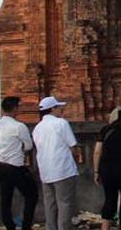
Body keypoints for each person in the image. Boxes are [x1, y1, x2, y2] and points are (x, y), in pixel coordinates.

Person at [33, 97, 80, 230]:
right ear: (52, 109)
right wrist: (74, 160)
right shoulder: (61, 123)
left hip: (46, 171)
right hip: (63, 169)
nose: (61, 109)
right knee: (65, 204)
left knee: (50, 205)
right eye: (58, 107)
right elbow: (73, 145)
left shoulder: (38, 128)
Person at [0, 96, 39, 230]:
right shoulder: (19, 126)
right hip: (15, 166)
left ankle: (10, 225)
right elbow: (29, 146)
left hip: (1, 165)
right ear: (14, 108)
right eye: (18, 106)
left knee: (6, 198)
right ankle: (26, 225)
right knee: (32, 195)